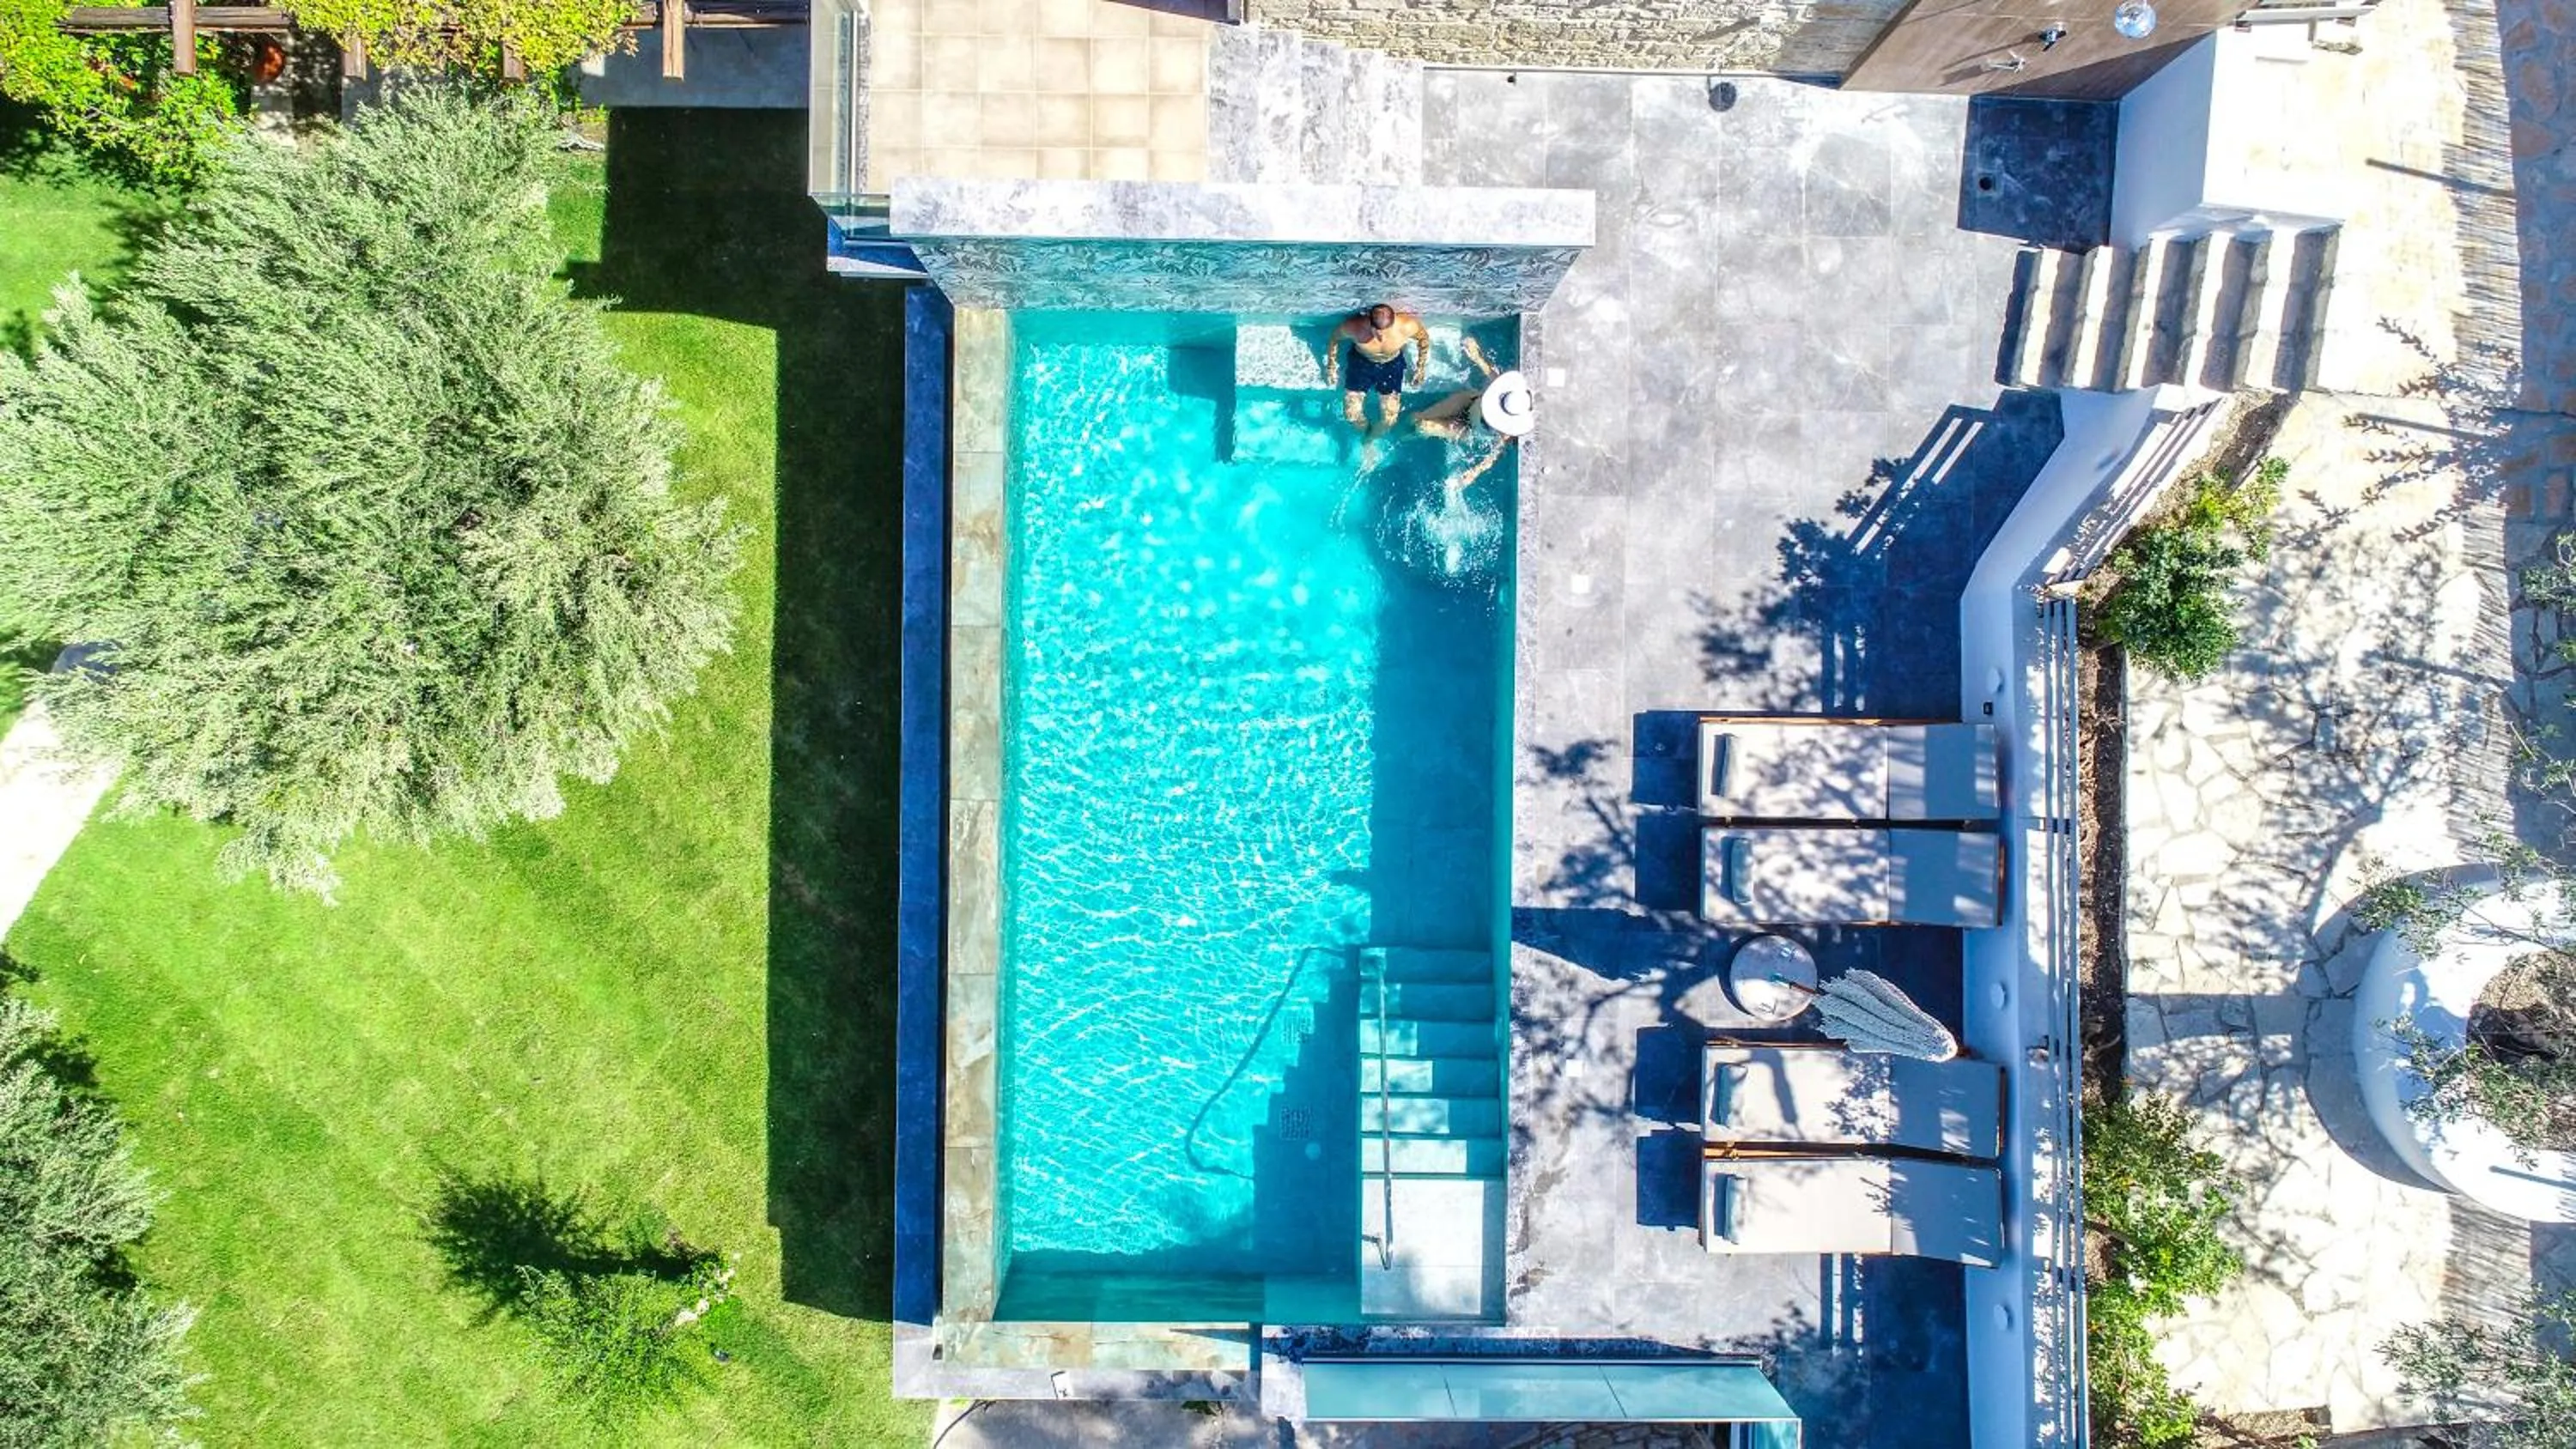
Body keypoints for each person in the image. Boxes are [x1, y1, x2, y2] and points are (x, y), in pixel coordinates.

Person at [1414, 336, 1534, 493]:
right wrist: (1476, 356)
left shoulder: (1508, 430)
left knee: (1423, 427)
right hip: (1468, 402)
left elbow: (1496, 451)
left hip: (1468, 430)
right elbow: (1491, 373)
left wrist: (1475, 472)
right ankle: (1398, 432)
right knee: (1418, 417)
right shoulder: (1505, 392)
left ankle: (1401, 438)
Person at [1322, 303, 1431, 434]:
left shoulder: (1407, 326)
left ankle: (1371, 438)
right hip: (1361, 363)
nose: (1382, 337)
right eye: (1377, 331)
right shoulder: (1354, 327)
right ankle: (1366, 431)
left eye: (1386, 331)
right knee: (1352, 416)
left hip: (1391, 365)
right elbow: (1334, 338)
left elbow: (1424, 339)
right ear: (1369, 320)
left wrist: (1420, 367)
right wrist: (1331, 365)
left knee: (1390, 420)